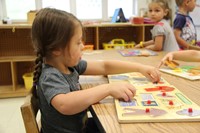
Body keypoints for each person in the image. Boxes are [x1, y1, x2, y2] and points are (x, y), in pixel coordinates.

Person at [31, 8, 161, 133]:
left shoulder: (67, 65)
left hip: (81, 127)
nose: (82, 46)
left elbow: (105, 66)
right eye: (77, 43)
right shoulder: (50, 75)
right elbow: (65, 104)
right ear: (56, 49)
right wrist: (108, 89)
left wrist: (140, 68)